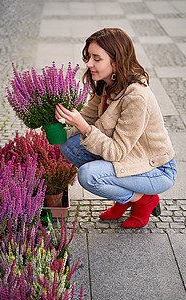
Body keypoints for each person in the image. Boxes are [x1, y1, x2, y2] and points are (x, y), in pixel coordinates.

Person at [55, 28, 177, 228]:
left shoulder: (136, 97)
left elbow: (116, 151)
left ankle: (144, 200)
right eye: (89, 57)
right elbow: (86, 117)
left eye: (96, 59)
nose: (89, 64)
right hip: (131, 158)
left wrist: (84, 128)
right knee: (68, 145)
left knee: (88, 175)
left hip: (156, 169)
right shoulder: (107, 82)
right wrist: (58, 126)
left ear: (116, 61)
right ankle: (127, 198)